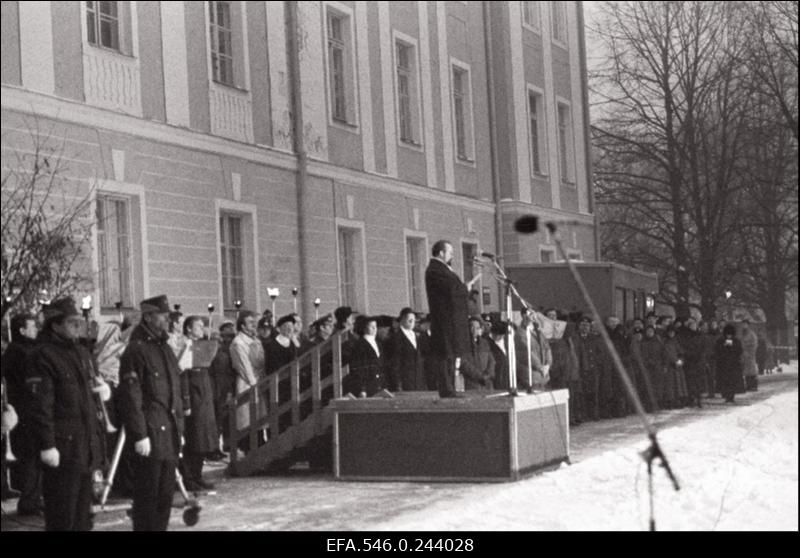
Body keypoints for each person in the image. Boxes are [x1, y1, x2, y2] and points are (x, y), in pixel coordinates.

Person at [25, 297, 109, 531]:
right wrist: (47, 445)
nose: (78, 326)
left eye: (79, 321)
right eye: (72, 322)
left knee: (83, 519)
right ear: (55, 325)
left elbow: (85, 395)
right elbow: (40, 405)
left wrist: (102, 391)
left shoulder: (81, 352)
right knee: (62, 518)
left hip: (84, 447)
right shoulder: (42, 355)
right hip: (63, 449)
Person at [117, 295, 185, 531]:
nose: (167, 319)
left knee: (165, 496)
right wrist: (139, 434)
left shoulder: (164, 348)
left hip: (168, 430)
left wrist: (179, 428)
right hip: (150, 431)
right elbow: (131, 395)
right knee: (148, 496)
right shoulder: (137, 350)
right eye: (162, 315)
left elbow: (174, 391)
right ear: (148, 317)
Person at [425, 240, 480, 397]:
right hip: (445, 321)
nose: (452, 255)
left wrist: (463, 288)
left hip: (451, 320)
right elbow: (449, 291)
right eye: (450, 252)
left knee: (451, 355)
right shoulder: (435, 270)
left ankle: (450, 388)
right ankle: (447, 389)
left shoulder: (442, 269)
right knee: (445, 355)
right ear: (441, 253)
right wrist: (465, 288)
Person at [2, 313, 42, 514]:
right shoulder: (20, 352)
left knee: (32, 457)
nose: (36, 330)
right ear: (22, 330)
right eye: (32, 326)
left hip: (25, 409)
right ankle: (29, 500)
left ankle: (32, 498)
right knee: (30, 457)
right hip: (25, 410)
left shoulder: (19, 350)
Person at [177, 316, 218, 491]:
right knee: (193, 438)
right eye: (198, 326)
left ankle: (197, 474)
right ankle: (188, 477)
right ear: (188, 328)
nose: (202, 329)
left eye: (203, 326)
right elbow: (183, 376)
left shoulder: (200, 345)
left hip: (203, 396)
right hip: (193, 397)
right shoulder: (184, 345)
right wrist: (186, 402)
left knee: (203, 439)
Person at [229, 310, 266, 440]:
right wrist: (254, 383)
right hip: (247, 382)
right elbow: (244, 365)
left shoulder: (256, 340)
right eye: (250, 322)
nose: (254, 325)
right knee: (247, 417)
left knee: (259, 417)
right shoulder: (238, 342)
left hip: (260, 378)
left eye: (255, 322)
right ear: (242, 326)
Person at [208, 321, 236, 458]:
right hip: (215, 389)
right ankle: (213, 448)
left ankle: (222, 446)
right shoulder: (214, 354)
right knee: (216, 420)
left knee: (223, 419)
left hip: (223, 388)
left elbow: (229, 372)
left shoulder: (225, 352)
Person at [386, 308, 427, 391]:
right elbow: (395, 362)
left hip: (418, 380)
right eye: (410, 320)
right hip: (405, 380)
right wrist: (398, 383)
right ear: (402, 320)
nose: (412, 323)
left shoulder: (417, 336)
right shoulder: (396, 338)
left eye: (414, 320)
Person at [573, 316, 604, 421]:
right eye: (583, 325)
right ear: (579, 326)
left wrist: (597, 363)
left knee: (594, 392)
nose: (585, 327)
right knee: (581, 393)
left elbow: (600, 352)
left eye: (587, 325)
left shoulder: (594, 338)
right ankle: (583, 414)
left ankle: (594, 414)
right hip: (581, 369)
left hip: (593, 369)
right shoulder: (576, 338)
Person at [349, 315, 386, 397]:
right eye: (371, 326)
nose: (374, 328)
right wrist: (362, 389)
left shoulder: (378, 343)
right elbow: (359, 369)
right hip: (368, 384)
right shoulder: (360, 345)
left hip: (379, 383)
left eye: (375, 326)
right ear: (364, 328)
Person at [460, 316, 496, 391]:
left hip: (487, 384)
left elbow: (491, 360)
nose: (474, 330)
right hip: (472, 383)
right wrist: (479, 376)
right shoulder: (463, 344)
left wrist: (488, 374)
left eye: (477, 328)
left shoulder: (484, 343)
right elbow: (464, 363)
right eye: (472, 327)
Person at [640, 324, 668, 410]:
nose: (650, 333)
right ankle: (648, 404)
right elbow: (641, 354)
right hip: (647, 368)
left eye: (651, 331)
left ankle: (658, 403)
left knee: (658, 387)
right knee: (647, 386)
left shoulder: (658, 342)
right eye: (648, 331)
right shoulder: (643, 342)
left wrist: (664, 365)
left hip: (657, 367)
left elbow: (664, 354)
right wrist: (648, 361)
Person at [680, 318, 706, 408]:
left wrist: (700, 357)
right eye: (691, 325)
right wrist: (689, 355)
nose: (693, 327)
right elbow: (684, 347)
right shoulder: (686, 336)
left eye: (694, 325)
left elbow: (704, 348)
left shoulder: (700, 336)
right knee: (690, 381)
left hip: (698, 361)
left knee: (698, 381)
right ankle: (692, 398)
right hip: (690, 362)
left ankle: (699, 398)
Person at [715, 324, 743, 403]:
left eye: (730, 334)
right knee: (725, 381)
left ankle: (731, 396)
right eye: (727, 334)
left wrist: (732, 347)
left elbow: (740, 351)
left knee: (732, 381)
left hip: (733, 364)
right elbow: (717, 350)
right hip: (723, 365)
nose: (729, 336)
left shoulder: (736, 341)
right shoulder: (720, 341)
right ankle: (726, 395)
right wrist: (724, 346)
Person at [662, 326, 689, 409]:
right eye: (670, 332)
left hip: (676, 366)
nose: (671, 334)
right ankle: (670, 402)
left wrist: (680, 361)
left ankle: (678, 401)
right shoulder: (664, 342)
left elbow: (681, 353)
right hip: (668, 366)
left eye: (673, 332)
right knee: (669, 386)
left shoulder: (676, 342)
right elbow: (663, 354)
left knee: (678, 385)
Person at [488, 321, 510, 391]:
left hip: (506, 378)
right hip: (496, 378)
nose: (499, 337)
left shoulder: (507, 342)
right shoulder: (488, 343)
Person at [739, 320, 759, 391]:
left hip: (750, 356)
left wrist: (750, 353)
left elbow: (754, 345)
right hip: (744, 355)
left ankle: (753, 386)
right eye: (743, 324)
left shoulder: (752, 334)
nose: (743, 326)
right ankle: (748, 385)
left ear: (748, 325)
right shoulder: (742, 334)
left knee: (752, 371)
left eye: (745, 324)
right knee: (746, 372)